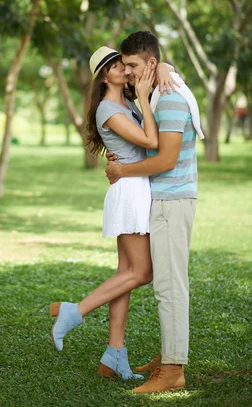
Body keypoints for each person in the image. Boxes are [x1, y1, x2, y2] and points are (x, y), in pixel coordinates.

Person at [49, 45, 177, 381]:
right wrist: (147, 93)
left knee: (126, 273)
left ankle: (114, 354)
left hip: (134, 187)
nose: (124, 68)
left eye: (124, 63)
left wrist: (162, 70)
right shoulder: (108, 108)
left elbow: (155, 68)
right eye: (117, 65)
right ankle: (74, 311)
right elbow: (152, 141)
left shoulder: (127, 102)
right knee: (142, 272)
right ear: (105, 75)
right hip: (130, 192)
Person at [105, 30, 204, 394]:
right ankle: (168, 357)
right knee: (164, 283)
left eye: (132, 65)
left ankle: (174, 370)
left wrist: (121, 171)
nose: (127, 73)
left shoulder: (172, 98)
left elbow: (166, 158)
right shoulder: (156, 93)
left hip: (173, 201)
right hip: (160, 199)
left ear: (149, 63)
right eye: (124, 66)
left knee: (170, 286)